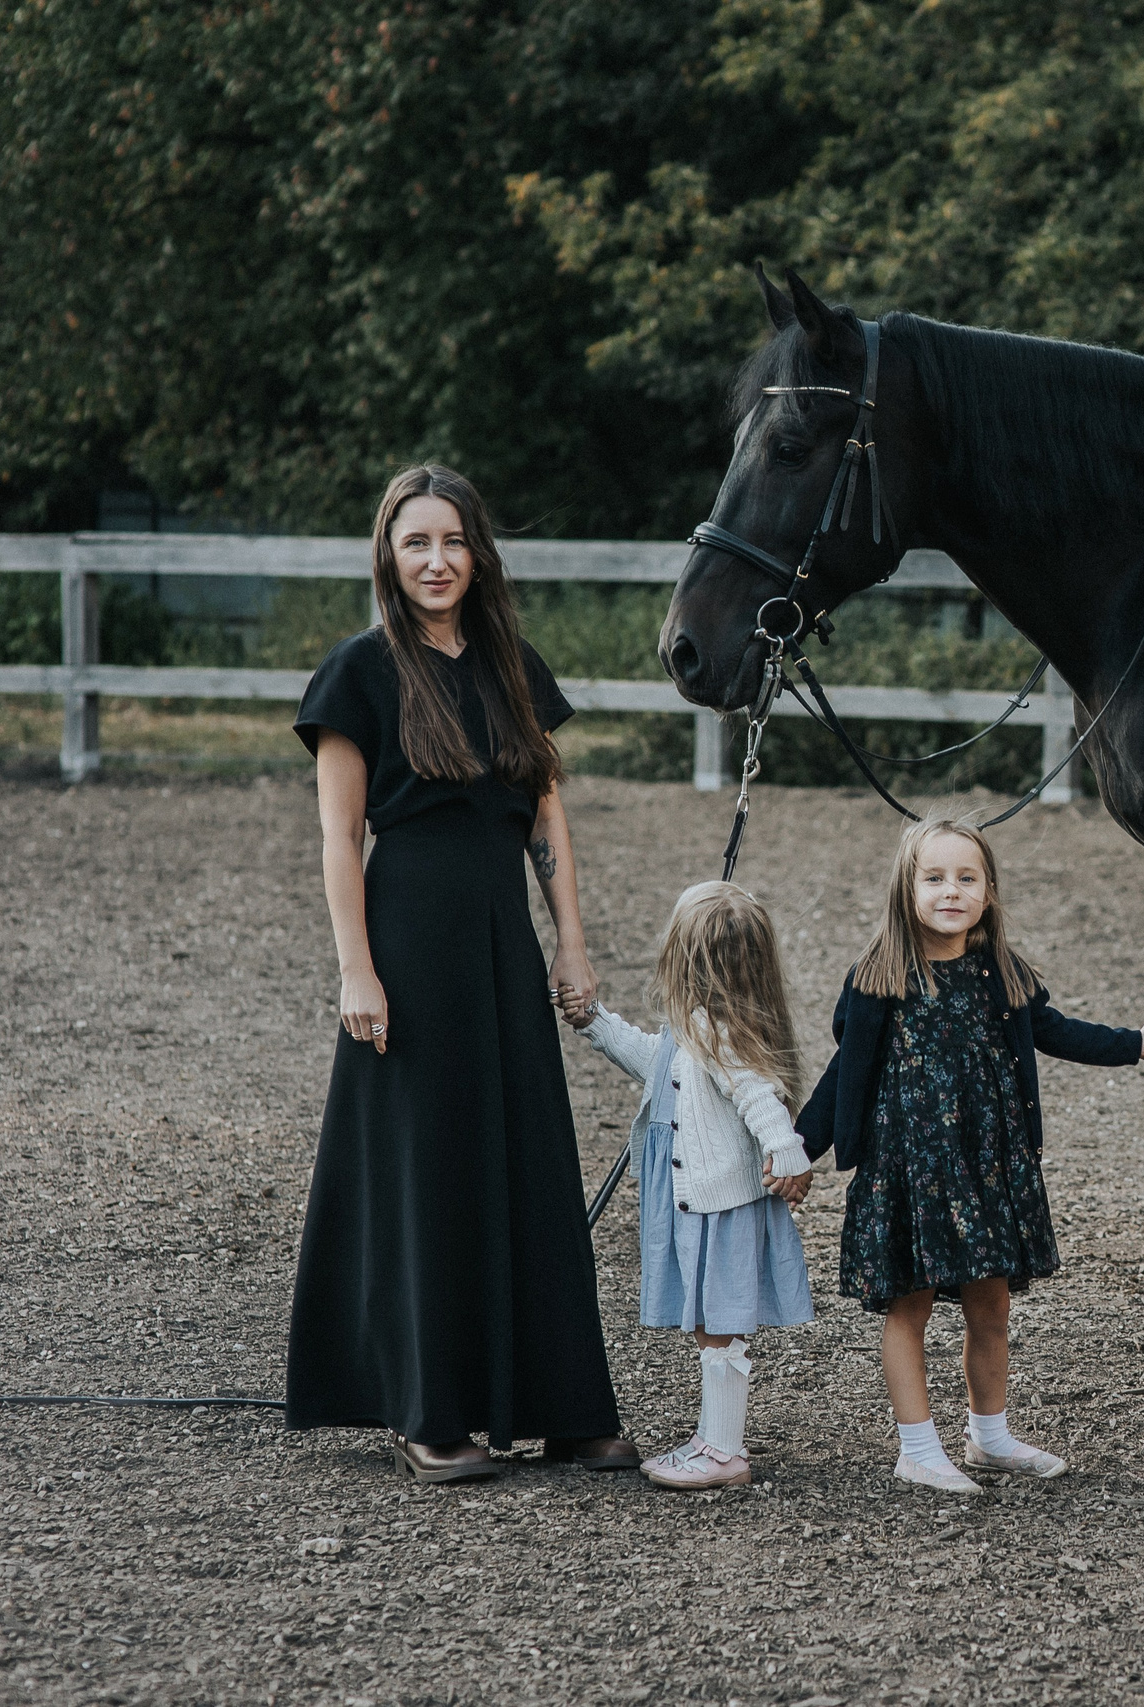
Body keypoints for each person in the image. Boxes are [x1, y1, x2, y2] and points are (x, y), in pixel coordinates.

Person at [286, 464, 635, 1485]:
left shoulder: (511, 666)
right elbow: (339, 839)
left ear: (478, 554)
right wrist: (356, 970)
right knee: (427, 1168)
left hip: (501, 940)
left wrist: (570, 941)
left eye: (452, 542)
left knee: (529, 1158)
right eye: (415, 543)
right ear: (389, 557)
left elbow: (546, 811)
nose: (435, 561)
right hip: (408, 941)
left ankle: (564, 1407)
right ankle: (426, 1413)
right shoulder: (359, 672)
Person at [795, 817, 1144, 1493]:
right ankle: (917, 1448)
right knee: (909, 1308)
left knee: (991, 1306)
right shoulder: (879, 978)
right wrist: (798, 1146)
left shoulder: (1001, 973)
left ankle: (989, 1436)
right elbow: (845, 1072)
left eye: (967, 878)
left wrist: (1137, 1042)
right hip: (910, 1173)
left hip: (987, 1168)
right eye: (934, 877)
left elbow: (1059, 1032)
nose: (951, 891)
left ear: (989, 892)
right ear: (906, 889)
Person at [556, 882, 815, 1490]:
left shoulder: (719, 1029)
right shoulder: (696, 1025)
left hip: (716, 1204)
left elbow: (757, 1095)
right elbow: (654, 1060)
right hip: (697, 1199)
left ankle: (724, 1451)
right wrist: (596, 1023)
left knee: (717, 1325)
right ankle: (714, 1437)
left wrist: (786, 1151)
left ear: (684, 956)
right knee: (711, 1326)